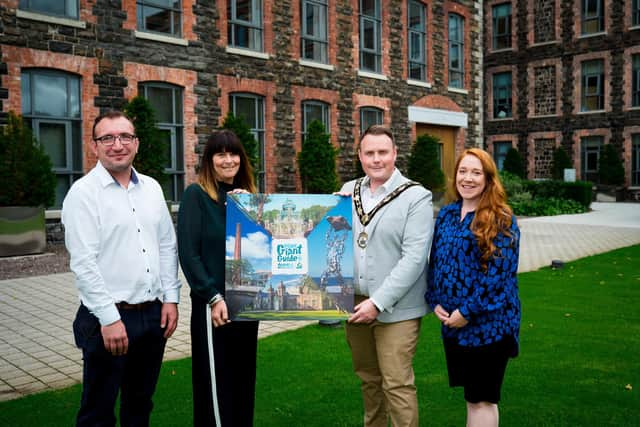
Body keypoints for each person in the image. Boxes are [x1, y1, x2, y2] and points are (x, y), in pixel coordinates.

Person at [62, 110, 181, 426]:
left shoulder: (153, 188)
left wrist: (171, 298)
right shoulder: (83, 194)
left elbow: (167, 245)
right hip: (107, 318)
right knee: (97, 413)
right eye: (108, 138)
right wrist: (110, 319)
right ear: (94, 146)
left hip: (152, 315)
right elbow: (84, 264)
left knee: (139, 405)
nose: (117, 144)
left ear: (136, 143)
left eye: (125, 136)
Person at [340, 125, 434, 427]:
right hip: (354, 303)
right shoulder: (347, 192)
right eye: (369, 153)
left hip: (397, 308)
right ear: (360, 156)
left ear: (395, 154)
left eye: (383, 152)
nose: (376, 159)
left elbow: (415, 259)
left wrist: (377, 303)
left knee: (397, 383)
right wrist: (245, 204)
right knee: (368, 380)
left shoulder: (416, 196)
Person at [426, 148, 520, 427]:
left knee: (483, 399)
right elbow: (436, 262)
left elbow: (499, 277)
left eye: (476, 173)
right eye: (463, 171)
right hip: (453, 325)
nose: (468, 178)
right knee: (472, 398)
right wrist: (435, 301)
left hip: (489, 327)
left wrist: (467, 311)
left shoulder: (501, 218)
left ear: (488, 179)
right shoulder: (446, 214)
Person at [177, 130, 259, 427]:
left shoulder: (248, 198)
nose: (228, 160)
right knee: (216, 387)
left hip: (246, 306)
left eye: (233, 153)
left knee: (242, 381)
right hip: (214, 307)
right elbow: (189, 254)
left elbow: (264, 250)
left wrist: (252, 211)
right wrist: (213, 296)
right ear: (209, 160)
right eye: (220, 154)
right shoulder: (196, 195)